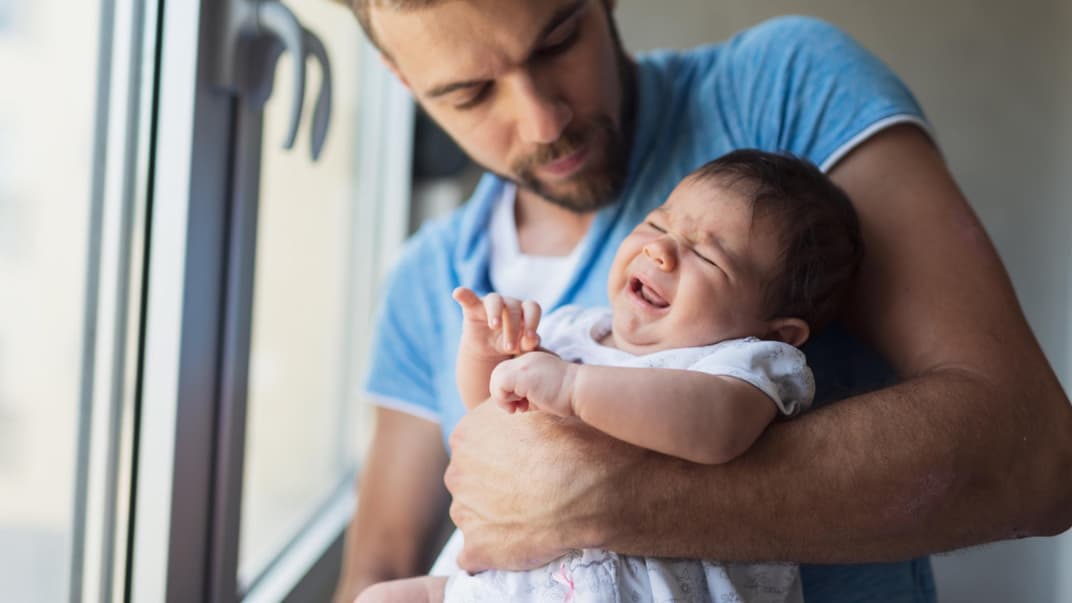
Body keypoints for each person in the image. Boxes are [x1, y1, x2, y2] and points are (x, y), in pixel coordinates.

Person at [334, 1, 1072, 602]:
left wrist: (601, 496)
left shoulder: (781, 89)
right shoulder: (430, 282)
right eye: (471, 92)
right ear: (402, 79)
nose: (543, 122)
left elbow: (1038, 455)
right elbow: (380, 564)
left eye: (558, 40)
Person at [357, 150, 861, 603]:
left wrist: (574, 388)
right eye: (657, 224)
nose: (660, 251)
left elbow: (716, 429)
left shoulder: (742, 364)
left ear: (777, 331)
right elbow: (494, 421)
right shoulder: (573, 330)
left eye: (708, 255)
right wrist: (488, 356)